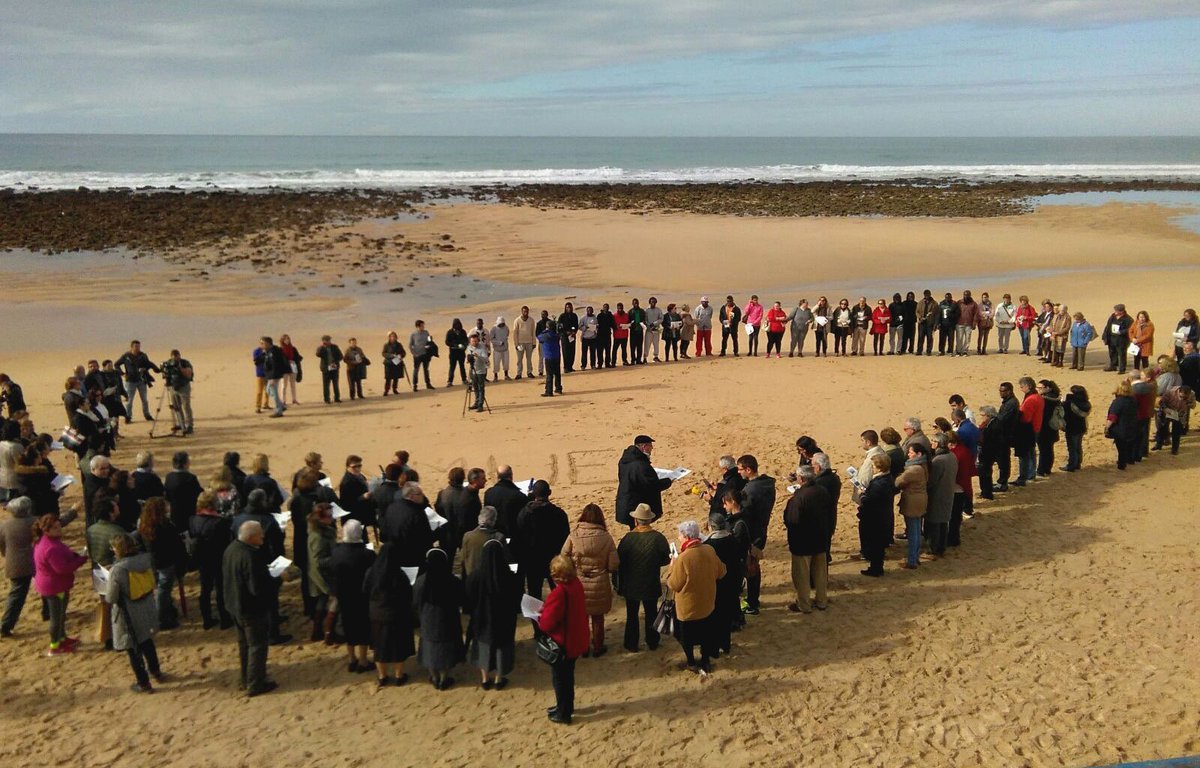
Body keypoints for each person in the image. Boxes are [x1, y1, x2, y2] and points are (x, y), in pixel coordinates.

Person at [223, 520, 277, 696]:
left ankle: (246, 678)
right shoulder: (251, 556)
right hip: (251, 609)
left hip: (234, 604)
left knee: (244, 644)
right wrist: (276, 578)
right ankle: (255, 684)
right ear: (251, 537)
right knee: (257, 646)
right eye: (260, 534)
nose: (263, 536)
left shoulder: (231, 549)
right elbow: (257, 588)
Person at [105, 532, 164, 693]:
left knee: (133, 648)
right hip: (146, 607)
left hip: (128, 613)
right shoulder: (145, 559)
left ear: (118, 549)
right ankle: (156, 671)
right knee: (147, 641)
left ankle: (143, 683)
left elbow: (111, 597)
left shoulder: (117, 570)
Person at [667, 520, 725, 675]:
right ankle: (705, 660)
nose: (679, 538)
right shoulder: (709, 550)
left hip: (688, 607)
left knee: (686, 637)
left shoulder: (683, 558)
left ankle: (691, 662)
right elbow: (721, 571)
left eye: (680, 535)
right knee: (705, 634)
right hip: (707, 603)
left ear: (686, 537)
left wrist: (672, 567)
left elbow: (674, 584)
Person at [536, 554, 588, 724]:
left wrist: (540, 616)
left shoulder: (559, 593)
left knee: (560, 679)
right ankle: (566, 706)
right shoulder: (576, 584)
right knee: (568, 676)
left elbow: (547, 624)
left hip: (564, 642)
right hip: (576, 637)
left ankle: (563, 712)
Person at [561, 504, 618, 658]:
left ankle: (584, 647)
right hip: (599, 581)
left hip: (579, 581)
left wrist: (574, 569)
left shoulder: (574, 535)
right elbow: (613, 564)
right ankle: (598, 646)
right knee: (598, 618)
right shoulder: (606, 537)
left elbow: (564, 557)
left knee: (581, 618)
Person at [616, 503, 670, 652]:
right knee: (651, 612)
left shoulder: (628, 538)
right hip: (651, 581)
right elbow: (666, 558)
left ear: (635, 520)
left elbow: (620, 559)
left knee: (632, 615)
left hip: (631, 583)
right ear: (650, 520)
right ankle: (652, 641)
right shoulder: (658, 538)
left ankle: (631, 643)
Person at [33, 514, 88, 655]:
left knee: (61, 615)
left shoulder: (46, 541)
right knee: (56, 618)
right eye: (55, 528)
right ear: (46, 530)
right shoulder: (51, 547)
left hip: (52, 583)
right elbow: (62, 569)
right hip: (54, 586)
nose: (59, 529)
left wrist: (75, 556)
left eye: (59, 526)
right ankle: (54, 646)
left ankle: (62, 638)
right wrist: (81, 560)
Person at [362, 541, 415, 687]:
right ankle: (399, 675)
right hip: (397, 615)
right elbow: (408, 594)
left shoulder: (371, 572)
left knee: (379, 646)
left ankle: (382, 676)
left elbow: (365, 590)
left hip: (377, 614)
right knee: (398, 646)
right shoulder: (399, 574)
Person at [329, 520, 376, 673]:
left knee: (348, 625)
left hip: (344, 595)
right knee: (363, 627)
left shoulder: (336, 552)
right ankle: (363, 660)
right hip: (362, 596)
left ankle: (351, 658)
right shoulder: (367, 554)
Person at [414, 548, 464, 690]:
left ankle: (434, 677)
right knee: (446, 651)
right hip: (448, 620)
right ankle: (443, 679)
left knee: (430, 649)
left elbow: (415, 600)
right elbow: (461, 599)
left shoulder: (422, 580)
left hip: (428, 619)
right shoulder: (452, 580)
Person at [783, 465, 831, 612]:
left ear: (801, 479)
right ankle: (822, 601)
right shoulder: (823, 491)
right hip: (821, 538)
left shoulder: (798, 498)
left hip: (803, 542)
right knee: (820, 573)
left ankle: (804, 604)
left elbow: (791, 520)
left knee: (802, 575)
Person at [135, 497, 185, 630]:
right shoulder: (165, 526)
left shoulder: (143, 525)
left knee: (160, 589)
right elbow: (176, 545)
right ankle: (161, 619)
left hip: (151, 562)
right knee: (163, 591)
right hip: (165, 562)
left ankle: (167, 611)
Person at [517, 480, 570, 599]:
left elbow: (520, 537)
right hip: (552, 559)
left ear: (533, 494)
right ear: (549, 493)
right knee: (558, 595)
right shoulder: (559, 514)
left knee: (534, 594)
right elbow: (565, 537)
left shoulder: (524, 514)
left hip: (533, 560)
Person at [703, 510, 747, 654]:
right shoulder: (733, 539)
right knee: (728, 610)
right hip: (733, 579)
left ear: (712, 526)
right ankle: (726, 642)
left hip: (718, 582)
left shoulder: (709, 544)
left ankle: (716, 645)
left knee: (716, 614)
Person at [189, 491, 232, 629]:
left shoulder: (193, 520)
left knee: (205, 589)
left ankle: (207, 619)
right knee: (220, 588)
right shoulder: (221, 522)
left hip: (202, 558)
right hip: (218, 558)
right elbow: (226, 542)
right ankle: (225, 619)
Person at [615, 435, 672, 528]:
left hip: (627, 501)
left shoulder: (625, 460)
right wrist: (668, 481)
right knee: (640, 529)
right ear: (644, 446)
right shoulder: (640, 464)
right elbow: (651, 485)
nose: (652, 448)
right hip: (636, 505)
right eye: (650, 446)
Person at [0, 496, 36, 637]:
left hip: (13, 564)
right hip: (33, 562)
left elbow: (2, 545)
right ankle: (5, 625)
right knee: (19, 595)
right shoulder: (33, 521)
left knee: (16, 594)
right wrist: (73, 512)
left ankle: (7, 624)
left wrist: (5, 553)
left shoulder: (4, 525)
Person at [856, 454, 893, 576]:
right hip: (882, 515)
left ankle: (875, 569)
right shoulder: (887, 478)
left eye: (873, 466)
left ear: (879, 467)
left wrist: (862, 495)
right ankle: (876, 567)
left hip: (875, 517)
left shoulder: (879, 483)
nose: (872, 468)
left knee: (875, 544)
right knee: (878, 544)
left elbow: (869, 500)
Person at [306, 501, 337, 642]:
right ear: (321, 519)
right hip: (322, 574)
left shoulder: (322, 530)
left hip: (321, 572)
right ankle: (328, 631)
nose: (332, 518)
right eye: (329, 516)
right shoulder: (318, 537)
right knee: (334, 598)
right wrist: (336, 558)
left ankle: (317, 630)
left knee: (322, 599)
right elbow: (319, 561)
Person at [895, 443, 929, 569]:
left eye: (911, 452)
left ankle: (912, 560)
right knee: (916, 529)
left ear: (918, 454)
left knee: (913, 531)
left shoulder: (915, 469)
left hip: (913, 501)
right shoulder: (923, 465)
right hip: (919, 499)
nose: (908, 454)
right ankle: (915, 558)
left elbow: (899, 481)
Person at [925, 434, 957, 558]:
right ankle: (941, 547)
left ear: (938, 444)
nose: (931, 443)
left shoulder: (938, 460)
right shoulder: (952, 456)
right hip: (948, 492)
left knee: (934, 522)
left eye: (933, 441)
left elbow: (932, 481)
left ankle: (934, 549)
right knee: (943, 522)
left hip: (937, 494)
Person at [115, 340, 160, 423]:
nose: (138, 348)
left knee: (144, 400)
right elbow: (116, 364)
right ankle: (128, 416)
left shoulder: (143, 355)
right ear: (132, 347)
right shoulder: (126, 356)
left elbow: (148, 364)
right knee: (129, 400)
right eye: (136, 346)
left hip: (141, 380)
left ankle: (147, 415)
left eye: (139, 346)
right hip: (130, 381)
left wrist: (148, 369)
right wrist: (122, 374)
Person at [483, 465, 529, 539]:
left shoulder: (489, 493)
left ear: (498, 477)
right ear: (511, 476)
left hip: (493, 537)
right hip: (513, 538)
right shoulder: (519, 496)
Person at [458, 506, 505, 579]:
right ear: (493, 521)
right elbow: (504, 561)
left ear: (479, 518)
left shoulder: (467, 536)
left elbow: (462, 559)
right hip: (491, 578)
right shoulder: (499, 537)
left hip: (472, 578)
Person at [1013, 377, 1043, 487]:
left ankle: (1025, 475)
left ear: (1028, 386)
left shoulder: (1031, 399)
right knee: (1031, 451)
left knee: (1025, 454)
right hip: (1036, 427)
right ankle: (1031, 473)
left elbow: (1026, 418)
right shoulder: (1038, 397)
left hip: (1029, 429)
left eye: (1022, 387)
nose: (1021, 389)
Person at [163, 451, 202, 530]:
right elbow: (199, 495)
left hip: (174, 516)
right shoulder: (191, 478)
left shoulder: (169, 477)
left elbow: (167, 496)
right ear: (185, 464)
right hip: (189, 516)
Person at [160, 349, 194, 435]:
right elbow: (165, 373)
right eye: (174, 357)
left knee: (186, 406)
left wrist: (180, 369)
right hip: (173, 388)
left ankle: (190, 425)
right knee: (176, 407)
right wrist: (165, 370)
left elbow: (189, 374)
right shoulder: (169, 363)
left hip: (184, 387)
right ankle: (181, 423)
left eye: (177, 357)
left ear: (179, 356)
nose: (176, 359)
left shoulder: (184, 362)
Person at [1106, 380, 1139, 470]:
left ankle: (1122, 464)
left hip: (1121, 427)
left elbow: (1112, 416)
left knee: (1121, 447)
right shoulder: (1133, 400)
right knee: (1129, 444)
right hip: (1132, 425)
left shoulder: (1118, 401)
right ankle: (1130, 459)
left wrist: (1107, 427)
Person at [1036, 380, 1063, 476]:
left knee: (1043, 450)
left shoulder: (1045, 400)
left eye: (1040, 388)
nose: (1038, 390)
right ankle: (1047, 469)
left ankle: (1041, 470)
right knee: (1049, 449)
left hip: (1044, 429)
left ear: (1048, 388)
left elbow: (1043, 415)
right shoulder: (1056, 397)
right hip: (1053, 427)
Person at [1061, 386, 1092, 471]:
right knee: (1078, 446)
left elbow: (1063, 411)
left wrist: (1063, 401)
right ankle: (1078, 464)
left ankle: (1071, 465)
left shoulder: (1069, 403)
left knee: (1072, 448)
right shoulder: (1086, 403)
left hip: (1072, 428)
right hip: (1081, 427)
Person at [259, 337, 288, 418]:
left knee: (274, 392)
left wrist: (273, 378)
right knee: (268, 390)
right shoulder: (268, 351)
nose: (261, 345)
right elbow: (261, 360)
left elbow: (275, 365)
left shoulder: (274, 352)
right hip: (271, 375)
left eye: (262, 343)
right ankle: (281, 405)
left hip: (274, 375)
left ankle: (278, 411)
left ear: (268, 343)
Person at [1102, 304, 1133, 373]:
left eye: (1117, 311)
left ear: (1121, 311)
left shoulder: (1128, 319)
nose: (1115, 312)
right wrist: (1104, 336)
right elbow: (1107, 326)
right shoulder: (1112, 316)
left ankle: (1122, 369)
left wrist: (1121, 332)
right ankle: (1113, 366)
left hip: (1122, 340)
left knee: (1122, 354)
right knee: (1112, 353)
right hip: (1112, 338)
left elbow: (1130, 329)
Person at [408, 321, 435, 391]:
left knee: (426, 370)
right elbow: (410, 345)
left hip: (425, 354)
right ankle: (415, 385)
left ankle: (428, 384)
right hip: (417, 355)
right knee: (416, 370)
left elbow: (430, 341)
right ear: (417, 326)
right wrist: (414, 353)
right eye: (422, 326)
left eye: (423, 326)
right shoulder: (413, 334)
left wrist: (429, 345)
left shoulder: (426, 332)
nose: (423, 327)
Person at [538, 323, 563, 397]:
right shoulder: (556, 335)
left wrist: (545, 331)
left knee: (549, 374)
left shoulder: (546, 335)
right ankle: (558, 388)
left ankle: (549, 391)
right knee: (557, 373)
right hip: (557, 356)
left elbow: (539, 337)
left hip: (549, 357)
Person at [513, 306, 538, 379]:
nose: (525, 313)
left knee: (529, 359)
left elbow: (533, 332)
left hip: (529, 342)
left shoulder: (531, 320)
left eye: (527, 311)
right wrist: (516, 344)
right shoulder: (517, 320)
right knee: (519, 359)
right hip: (520, 343)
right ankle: (519, 373)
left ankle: (529, 372)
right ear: (522, 312)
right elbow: (515, 333)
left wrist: (534, 342)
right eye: (524, 311)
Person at [467, 332, 489, 411]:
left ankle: (480, 404)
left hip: (481, 371)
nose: (474, 343)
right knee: (475, 387)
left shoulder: (482, 348)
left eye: (476, 341)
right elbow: (468, 356)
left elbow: (486, 359)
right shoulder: (469, 348)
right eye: (473, 341)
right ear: (470, 341)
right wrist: (468, 360)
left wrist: (478, 356)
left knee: (481, 388)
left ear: (478, 341)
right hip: (473, 370)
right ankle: (476, 403)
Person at [381, 331, 408, 395]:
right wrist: (391, 355)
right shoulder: (386, 345)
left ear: (396, 337)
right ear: (389, 337)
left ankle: (395, 389)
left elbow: (403, 352)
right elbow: (384, 353)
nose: (393, 337)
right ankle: (386, 390)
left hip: (397, 362)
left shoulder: (399, 344)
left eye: (394, 336)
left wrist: (400, 356)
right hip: (389, 363)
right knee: (388, 378)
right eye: (391, 336)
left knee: (396, 377)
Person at [955, 290, 980, 356]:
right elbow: (955, 312)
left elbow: (976, 314)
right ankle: (958, 351)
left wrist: (974, 323)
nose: (966, 296)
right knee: (959, 338)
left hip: (969, 324)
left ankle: (965, 351)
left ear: (970, 295)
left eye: (967, 295)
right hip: (960, 323)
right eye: (965, 295)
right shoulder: (959, 302)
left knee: (967, 339)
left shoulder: (974, 304)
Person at [278, 334, 302, 405]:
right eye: (285, 339)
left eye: (288, 339)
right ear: (282, 341)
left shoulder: (293, 348)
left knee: (293, 384)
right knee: (284, 385)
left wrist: (294, 361)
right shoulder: (280, 349)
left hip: (293, 367)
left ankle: (294, 399)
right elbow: (279, 360)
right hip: (284, 369)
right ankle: (283, 400)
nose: (287, 340)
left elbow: (297, 358)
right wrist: (287, 361)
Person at [444, 319, 468, 386]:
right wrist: (455, 345)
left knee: (462, 366)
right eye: (456, 325)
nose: (458, 326)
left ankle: (464, 380)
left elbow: (466, 340)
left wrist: (464, 346)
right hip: (453, 352)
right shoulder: (450, 332)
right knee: (452, 367)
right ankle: (450, 381)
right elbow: (447, 342)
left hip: (461, 352)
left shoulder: (463, 331)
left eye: (459, 324)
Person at [557, 302, 580, 372]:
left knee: (572, 351)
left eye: (570, 307)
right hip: (564, 336)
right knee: (565, 352)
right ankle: (566, 367)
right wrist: (565, 332)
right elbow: (559, 327)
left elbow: (576, 325)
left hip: (572, 336)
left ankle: (570, 366)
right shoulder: (562, 316)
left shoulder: (574, 316)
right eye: (567, 307)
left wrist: (574, 332)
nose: (569, 308)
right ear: (565, 308)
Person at [915, 290, 937, 356]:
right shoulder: (920, 302)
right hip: (922, 323)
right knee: (920, 337)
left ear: (930, 294)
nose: (927, 296)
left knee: (929, 337)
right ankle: (919, 351)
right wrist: (920, 317)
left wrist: (935, 324)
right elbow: (917, 311)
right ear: (924, 295)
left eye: (928, 294)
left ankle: (929, 351)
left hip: (930, 323)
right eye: (925, 295)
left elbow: (936, 314)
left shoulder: (934, 303)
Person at [642, 297, 663, 363]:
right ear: (649, 302)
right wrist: (649, 325)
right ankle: (645, 357)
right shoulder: (647, 310)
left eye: (654, 302)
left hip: (656, 329)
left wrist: (654, 323)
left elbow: (661, 319)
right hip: (649, 330)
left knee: (656, 344)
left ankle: (655, 357)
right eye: (652, 302)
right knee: (647, 344)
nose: (653, 303)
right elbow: (645, 319)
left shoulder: (658, 310)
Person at [490, 316, 511, 381]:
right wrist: (499, 343)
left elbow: (507, 334)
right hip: (497, 350)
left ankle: (506, 375)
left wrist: (504, 341)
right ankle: (495, 376)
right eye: (500, 323)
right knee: (496, 363)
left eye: (502, 323)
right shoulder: (493, 329)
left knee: (506, 363)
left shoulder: (506, 327)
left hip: (505, 349)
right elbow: (491, 339)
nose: (501, 325)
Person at [628, 298, 647, 365]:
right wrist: (630, 324)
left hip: (640, 331)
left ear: (638, 303)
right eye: (634, 303)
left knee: (639, 346)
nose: (635, 304)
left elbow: (645, 319)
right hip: (633, 331)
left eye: (636, 303)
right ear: (632, 304)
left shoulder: (642, 311)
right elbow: (628, 321)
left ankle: (638, 360)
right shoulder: (630, 311)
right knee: (632, 347)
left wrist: (643, 323)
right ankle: (633, 360)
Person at [595, 305, 615, 369]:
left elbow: (613, 324)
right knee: (599, 351)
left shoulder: (610, 315)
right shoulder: (599, 315)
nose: (605, 308)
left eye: (607, 307)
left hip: (607, 335)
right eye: (604, 307)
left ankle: (607, 363)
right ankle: (600, 364)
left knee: (608, 350)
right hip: (600, 335)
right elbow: (596, 324)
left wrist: (616, 328)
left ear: (608, 308)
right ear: (603, 308)